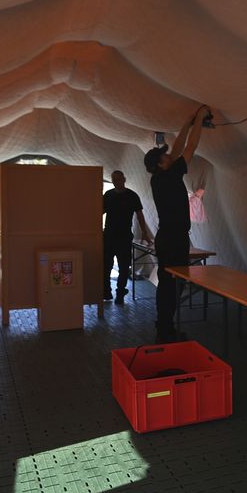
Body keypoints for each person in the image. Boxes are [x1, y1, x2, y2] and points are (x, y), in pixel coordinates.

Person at [144, 105, 211, 343]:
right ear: (160, 164)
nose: (169, 155)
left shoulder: (160, 178)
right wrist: (200, 119)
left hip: (168, 238)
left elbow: (178, 148)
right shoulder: (169, 176)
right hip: (173, 240)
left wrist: (188, 122)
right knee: (173, 285)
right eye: (164, 156)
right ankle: (165, 329)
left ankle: (164, 326)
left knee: (168, 284)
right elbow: (189, 148)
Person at [103, 170, 153, 305]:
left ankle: (120, 293)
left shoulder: (132, 196)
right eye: (114, 180)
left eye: (118, 179)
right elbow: (98, 212)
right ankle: (106, 291)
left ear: (124, 179)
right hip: (109, 236)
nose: (116, 182)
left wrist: (144, 232)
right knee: (106, 265)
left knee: (124, 266)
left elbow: (140, 215)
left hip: (124, 236)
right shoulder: (108, 195)